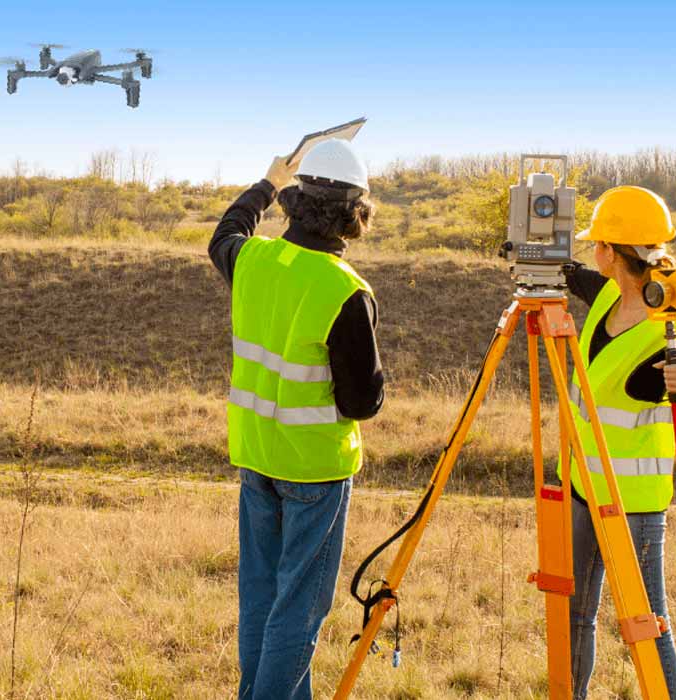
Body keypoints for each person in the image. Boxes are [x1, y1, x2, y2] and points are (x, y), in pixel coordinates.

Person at [207, 139, 384, 700]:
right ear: (356, 214)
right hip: (313, 471)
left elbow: (225, 232)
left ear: (292, 202)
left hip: (256, 456)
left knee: (261, 598)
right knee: (297, 613)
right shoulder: (344, 290)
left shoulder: (253, 259)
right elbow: (361, 403)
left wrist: (267, 181)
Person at [561, 186, 676, 699]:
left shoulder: (672, 327)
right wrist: (535, 257)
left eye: (596, 244)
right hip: (584, 486)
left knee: (647, 624)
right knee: (575, 613)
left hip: (634, 504)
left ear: (611, 251)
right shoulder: (609, 290)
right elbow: (578, 278)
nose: (592, 254)